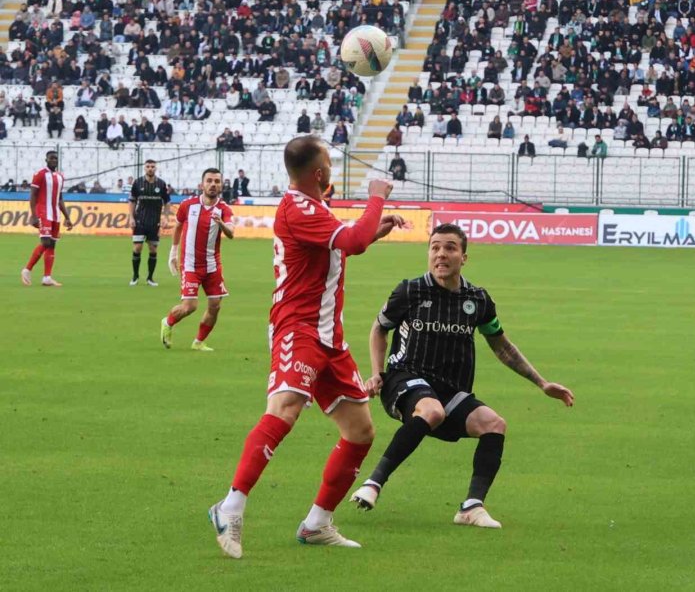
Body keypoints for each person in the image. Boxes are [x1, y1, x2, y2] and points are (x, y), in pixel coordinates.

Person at [206, 138, 408, 557]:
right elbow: (349, 241)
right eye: (328, 162)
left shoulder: (312, 207)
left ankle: (317, 524)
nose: (332, 168)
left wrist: (375, 228)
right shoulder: (298, 208)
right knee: (285, 410)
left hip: (329, 338)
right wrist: (375, 199)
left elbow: (347, 243)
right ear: (319, 172)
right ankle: (230, 507)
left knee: (360, 431)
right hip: (297, 329)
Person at [349, 223, 574, 527]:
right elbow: (380, 328)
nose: (441, 254)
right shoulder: (410, 290)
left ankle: (471, 507)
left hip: (451, 391)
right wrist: (376, 373)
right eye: (435, 247)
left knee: (494, 424)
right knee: (431, 409)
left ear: (464, 257)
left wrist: (542, 382)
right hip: (404, 380)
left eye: (450, 248)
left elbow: (502, 347)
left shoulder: (477, 300)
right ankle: (373, 483)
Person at [161, 168, 234, 351]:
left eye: (217, 181)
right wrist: (173, 253)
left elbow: (231, 233)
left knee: (215, 305)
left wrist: (221, 223)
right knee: (189, 307)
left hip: (212, 265)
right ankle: (168, 322)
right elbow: (177, 226)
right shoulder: (188, 205)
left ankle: (199, 342)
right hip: (190, 264)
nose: (213, 184)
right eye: (209, 181)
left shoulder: (224, 209)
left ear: (221, 185)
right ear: (202, 184)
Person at [21, 151, 72, 287]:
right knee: (45, 242)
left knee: (52, 244)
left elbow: (60, 199)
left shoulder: (60, 176)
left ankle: (47, 277)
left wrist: (67, 217)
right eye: (51, 158)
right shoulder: (40, 174)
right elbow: (33, 195)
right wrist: (33, 214)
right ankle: (27, 269)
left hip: (56, 214)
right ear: (46, 160)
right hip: (43, 212)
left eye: (56, 158)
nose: (54, 160)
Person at [128, 160, 170, 286]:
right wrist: (131, 217)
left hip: (154, 221)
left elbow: (167, 202)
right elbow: (132, 200)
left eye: (152, 166)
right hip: (140, 220)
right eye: (148, 166)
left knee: (153, 249)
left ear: (156, 168)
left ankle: (150, 278)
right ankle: (135, 276)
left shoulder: (161, 184)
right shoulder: (137, 182)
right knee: (137, 247)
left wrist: (166, 217)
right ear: (144, 168)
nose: (150, 169)